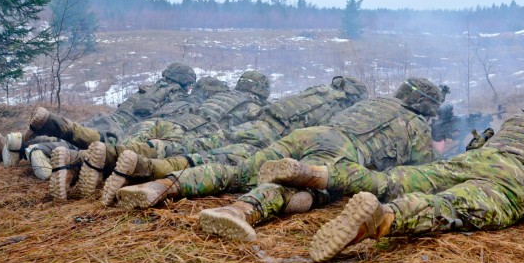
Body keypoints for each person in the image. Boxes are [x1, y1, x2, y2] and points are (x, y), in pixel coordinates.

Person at [306, 84, 524, 263]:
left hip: (477, 160)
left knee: (394, 179)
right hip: (517, 180)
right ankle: (382, 218)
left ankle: (320, 174)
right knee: (451, 206)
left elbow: (478, 147)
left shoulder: (520, 120)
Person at [188, 77, 446, 242]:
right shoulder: (416, 123)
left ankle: (163, 180)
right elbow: (418, 171)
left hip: (311, 135)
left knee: (242, 171)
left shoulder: (374, 102)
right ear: (427, 105)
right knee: (298, 187)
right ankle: (237, 211)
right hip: (341, 151)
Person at [110, 76, 369, 209]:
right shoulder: (341, 109)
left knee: (199, 150)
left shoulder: (315, 91)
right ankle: (153, 179)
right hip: (268, 140)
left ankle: (132, 162)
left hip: (249, 127)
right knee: (228, 170)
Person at [49, 70, 270, 201]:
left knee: (129, 147)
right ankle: (118, 169)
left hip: (167, 123)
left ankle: (73, 160)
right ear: (262, 91)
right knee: (157, 160)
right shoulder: (254, 107)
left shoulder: (222, 95)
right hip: (189, 134)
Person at [0, 62, 197, 172]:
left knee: (68, 135)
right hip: (119, 130)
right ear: (185, 83)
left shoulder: (147, 89)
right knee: (81, 146)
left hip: (107, 118)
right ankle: (42, 150)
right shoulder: (176, 97)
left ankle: (21, 143)